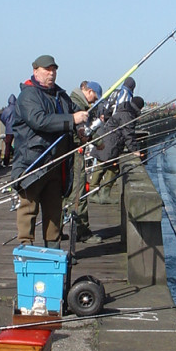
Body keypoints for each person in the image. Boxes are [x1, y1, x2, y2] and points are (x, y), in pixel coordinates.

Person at [11, 55, 88, 246]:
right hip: (33, 162)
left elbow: (74, 113)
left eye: (54, 70)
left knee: (54, 209)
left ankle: (53, 251)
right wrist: (71, 120)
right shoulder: (28, 95)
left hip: (57, 164)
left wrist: (80, 130)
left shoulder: (61, 95)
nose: (51, 74)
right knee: (28, 208)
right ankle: (26, 249)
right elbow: (39, 120)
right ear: (36, 71)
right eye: (47, 70)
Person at [66, 80, 103, 243]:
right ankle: (82, 231)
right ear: (88, 91)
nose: (95, 101)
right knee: (78, 192)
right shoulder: (77, 106)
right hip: (74, 153)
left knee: (63, 191)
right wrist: (98, 142)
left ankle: (57, 230)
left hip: (65, 153)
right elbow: (83, 133)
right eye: (95, 97)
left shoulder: (69, 100)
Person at [90, 95, 145, 202]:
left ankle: (101, 194)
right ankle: (95, 194)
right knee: (101, 167)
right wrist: (134, 150)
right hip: (109, 144)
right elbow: (128, 134)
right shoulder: (127, 115)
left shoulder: (125, 110)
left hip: (108, 141)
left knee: (111, 168)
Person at [0, 93, 17, 167]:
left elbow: (2, 118)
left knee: (7, 145)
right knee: (18, 145)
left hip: (9, 130)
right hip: (17, 129)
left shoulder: (7, 109)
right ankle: (17, 160)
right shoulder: (18, 108)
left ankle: (6, 162)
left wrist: (7, 124)